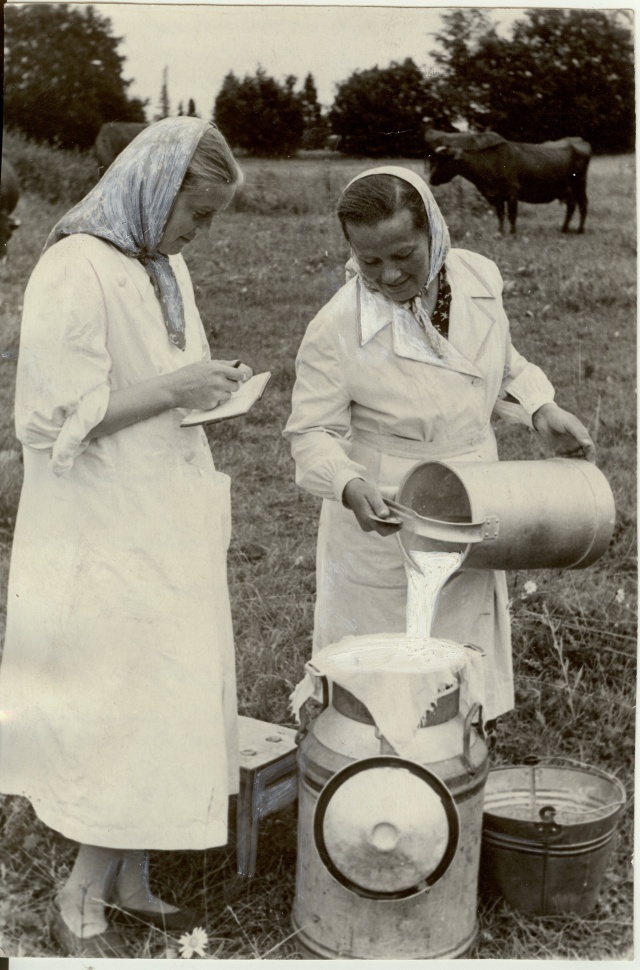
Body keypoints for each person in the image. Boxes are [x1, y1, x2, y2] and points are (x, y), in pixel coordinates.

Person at [0, 118, 252, 956]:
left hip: (165, 505)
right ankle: (78, 896)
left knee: (169, 688)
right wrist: (174, 386)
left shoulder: (162, 264)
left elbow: (169, 381)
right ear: (156, 187)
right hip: (100, 518)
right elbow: (49, 417)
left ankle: (135, 878)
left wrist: (208, 390)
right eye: (198, 213)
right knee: (126, 692)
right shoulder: (74, 266)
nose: (198, 233)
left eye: (210, 221)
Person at [284, 165, 595, 723]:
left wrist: (539, 408)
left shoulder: (477, 280)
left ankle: (460, 761)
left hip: (475, 492)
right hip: (388, 509)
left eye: (404, 254)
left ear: (434, 231)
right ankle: (374, 767)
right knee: (380, 675)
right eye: (370, 261)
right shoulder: (336, 327)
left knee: (459, 653)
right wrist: (348, 483)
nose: (389, 274)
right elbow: (312, 433)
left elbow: (501, 364)